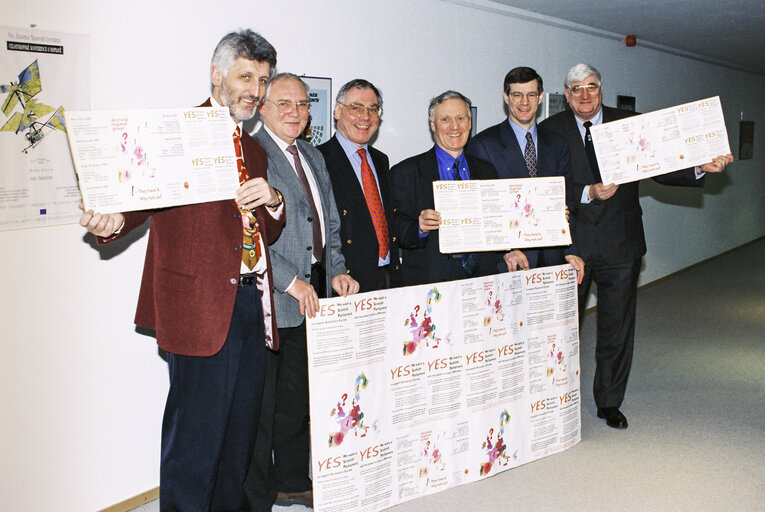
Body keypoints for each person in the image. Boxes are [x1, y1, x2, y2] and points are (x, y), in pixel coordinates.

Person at [79, 30, 285, 511]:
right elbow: (133, 201)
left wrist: (273, 200)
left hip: (252, 305)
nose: (255, 89)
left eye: (263, 79)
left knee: (239, 439)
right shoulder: (173, 132)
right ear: (217, 76)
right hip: (197, 310)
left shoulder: (253, 149)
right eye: (245, 76)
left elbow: (268, 231)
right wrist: (110, 223)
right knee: (194, 444)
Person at [540, 63, 733, 429]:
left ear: (602, 89)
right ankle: (555, 402)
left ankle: (609, 403)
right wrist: (587, 192)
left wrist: (700, 167)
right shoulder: (550, 131)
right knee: (561, 330)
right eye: (576, 88)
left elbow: (662, 166)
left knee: (616, 328)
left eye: (592, 87)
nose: (585, 95)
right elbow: (543, 185)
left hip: (621, 244)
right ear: (566, 94)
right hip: (570, 247)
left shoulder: (629, 124)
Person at [247, 72, 359, 510]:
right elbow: (250, 236)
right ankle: (257, 492)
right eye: (283, 104)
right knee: (263, 404)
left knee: (297, 398)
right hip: (272, 295)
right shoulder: (252, 154)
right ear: (263, 107)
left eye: (302, 105)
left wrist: (336, 272)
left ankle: (293, 479)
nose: (294, 113)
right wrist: (290, 281)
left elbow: (328, 222)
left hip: (313, 296)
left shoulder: (313, 154)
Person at [467, 66, 584, 283]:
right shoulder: (483, 145)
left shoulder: (557, 144)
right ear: (506, 97)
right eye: (517, 95)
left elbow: (568, 204)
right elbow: (480, 210)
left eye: (531, 95)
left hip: (553, 258)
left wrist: (571, 250)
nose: (524, 102)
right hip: (508, 261)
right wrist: (506, 249)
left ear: (540, 98)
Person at [389, 90, 500, 286]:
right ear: (433, 125)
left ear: (470, 122)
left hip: (483, 281)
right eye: (445, 119)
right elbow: (393, 230)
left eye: (461, 118)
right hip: (431, 284)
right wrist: (419, 227)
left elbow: (498, 222)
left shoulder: (487, 170)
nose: (454, 126)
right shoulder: (405, 172)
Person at [318, 79, 397, 292]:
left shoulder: (381, 161)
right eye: (356, 108)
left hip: (386, 279)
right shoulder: (318, 159)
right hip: (346, 283)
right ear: (337, 111)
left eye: (372, 109)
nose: (365, 117)